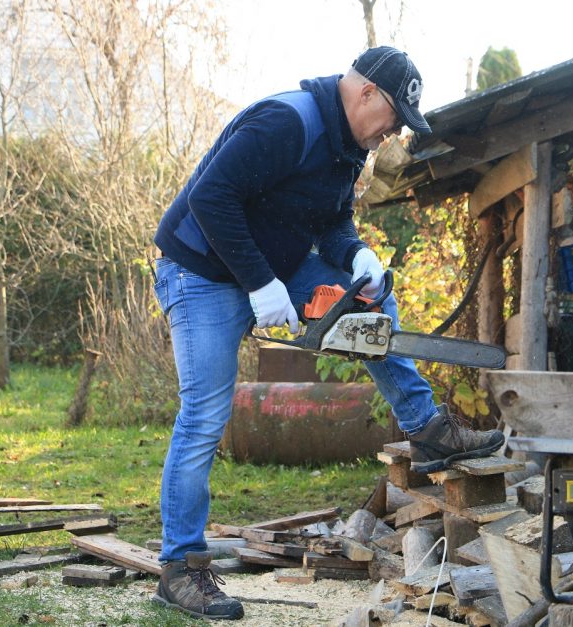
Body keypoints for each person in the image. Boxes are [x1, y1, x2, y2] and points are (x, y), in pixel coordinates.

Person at [150, 46, 505, 621]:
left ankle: (428, 429)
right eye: (391, 118)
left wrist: (355, 252)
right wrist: (260, 284)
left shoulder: (348, 148)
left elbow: (332, 221)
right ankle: (180, 569)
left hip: (274, 262)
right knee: (204, 416)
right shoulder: (286, 121)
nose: (390, 134)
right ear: (366, 95)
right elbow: (210, 198)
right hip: (199, 270)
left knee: (371, 294)